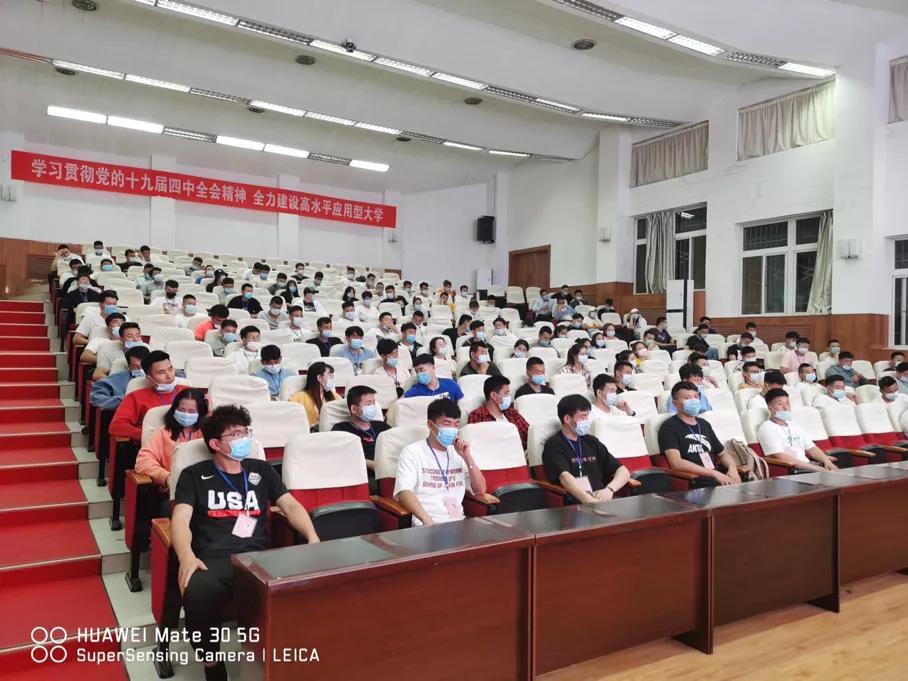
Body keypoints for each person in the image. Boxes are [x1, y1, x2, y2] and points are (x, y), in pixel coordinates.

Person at [172, 404, 318, 680]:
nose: (244, 439)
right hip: (214, 557)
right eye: (235, 434)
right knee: (198, 592)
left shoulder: (261, 470)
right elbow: (180, 519)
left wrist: (312, 537)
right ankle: (211, 662)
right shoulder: (194, 475)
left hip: (258, 558)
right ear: (215, 444)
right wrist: (186, 556)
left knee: (304, 587)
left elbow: (290, 506)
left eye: (245, 432)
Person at [393, 398, 489, 526]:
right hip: (426, 524)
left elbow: (480, 490)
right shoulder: (412, 452)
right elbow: (404, 492)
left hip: (458, 523)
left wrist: (467, 458)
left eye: (456, 424)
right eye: (447, 424)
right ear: (430, 425)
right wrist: (427, 520)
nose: (452, 429)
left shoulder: (459, 452)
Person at [542, 394, 630, 504]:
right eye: (583, 417)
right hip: (576, 504)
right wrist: (589, 501)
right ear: (567, 419)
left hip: (601, 499)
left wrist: (609, 490)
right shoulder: (554, 444)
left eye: (587, 416)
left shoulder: (591, 441)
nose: (587, 421)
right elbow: (565, 477)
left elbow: (623, 471)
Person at [658, 381, 741, 487]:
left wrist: (733, 469)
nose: (693, 401)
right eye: (687, 398)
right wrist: (714, 473)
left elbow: (723, 453)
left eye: (696, 397)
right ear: (675, 403)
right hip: (695, 482)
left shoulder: (704, 424)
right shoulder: (669, 427)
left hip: (717, 479)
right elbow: (676, 463)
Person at [135, 388, 208, 490]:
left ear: (201, 412)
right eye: (181, 410)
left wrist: (210, 414)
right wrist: (166, 477)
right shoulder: (162, 432)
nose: (186, 414)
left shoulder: (207, 432)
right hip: (173, 489)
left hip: (204, 488)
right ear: (174, 409)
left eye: (192, 411)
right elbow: (143, 462)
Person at [758, 389, 838, 472]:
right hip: (793, 470)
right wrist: (817, 468)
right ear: (770, 408)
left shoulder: (793, 425)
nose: (785, 408)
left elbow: (812, 448)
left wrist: (827, 462)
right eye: (780, 404)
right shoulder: (767, 428)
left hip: (809, 466)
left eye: (787, 403)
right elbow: (780, 456)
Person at [109, 351, 181, 441]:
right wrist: (148, 435)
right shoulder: (135, 397)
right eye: (161, 372)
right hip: (151, 445)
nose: (169, 376)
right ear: (149, 378)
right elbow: (116, 426)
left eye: (170, 369)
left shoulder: (188, 392)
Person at [331, 385, 391, 474]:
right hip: (358, 474)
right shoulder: (341, 429)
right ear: (354, 409)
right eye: (368, 404)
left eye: (374, 403)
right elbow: (340, 455)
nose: (373, 407)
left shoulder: (382, 426)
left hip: (388, 472)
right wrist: (370, 464)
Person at [467, 375, 530, 448]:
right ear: (493, 395)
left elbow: (529, 434)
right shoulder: (477, 416)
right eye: (506, 393)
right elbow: (475, 445)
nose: (509, 397)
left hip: (518, 452)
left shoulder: (512, 413)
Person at [90, 346, 150, 411]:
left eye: (143, 366)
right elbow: (96, 396)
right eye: (136, 367)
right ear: (129, 366)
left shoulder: (156, 377)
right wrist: (122, 402)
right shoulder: (119, 379)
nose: (141, 369)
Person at [289, 362, 339, 429]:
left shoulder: (333, 395)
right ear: (320, 378)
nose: (333, 379)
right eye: (330, 375)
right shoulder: (299, 397)